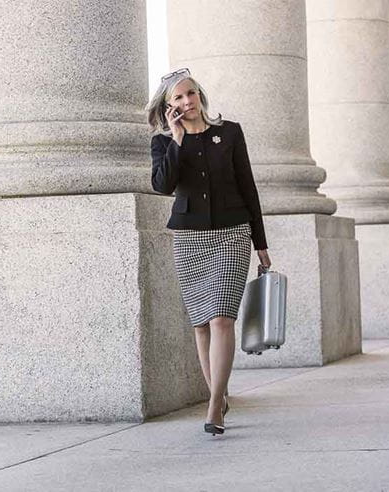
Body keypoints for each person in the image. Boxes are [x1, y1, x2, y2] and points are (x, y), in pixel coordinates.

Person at [146, 68, 271, 435]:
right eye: (178, 100)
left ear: (199, 94)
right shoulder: (164, 142)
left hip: (232, 235)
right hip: (189, 239)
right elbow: (162, 185)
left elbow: (248, 188)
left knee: (221, 318)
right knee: (201, 323)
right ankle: (219, 393)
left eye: (190, 94)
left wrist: (260, 243)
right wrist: (179, 140)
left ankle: (214, 405)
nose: (187, 103)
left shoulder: (229, 133)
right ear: (170, 108)